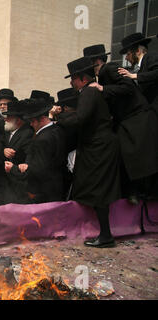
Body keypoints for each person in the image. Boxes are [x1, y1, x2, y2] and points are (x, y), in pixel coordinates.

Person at [84, 44, 158, 204]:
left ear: (96, 61)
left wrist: (103, 88)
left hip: (137, 120)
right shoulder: (103, 75)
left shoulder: (110, 69)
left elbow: (127, 87)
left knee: (135, 158)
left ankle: (137, 193)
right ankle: (133, 193)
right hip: (128, 122)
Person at [60, 57, 121, 248]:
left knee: (99, 190)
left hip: (99, 148)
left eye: (73, 79)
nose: (71, 83)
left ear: (82, 79)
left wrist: (58, 117)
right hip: (99, 146)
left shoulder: (88, 93)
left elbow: (80, 119)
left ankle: (106, 236)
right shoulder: (91, 91)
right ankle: (105, 234)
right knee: (98, 190)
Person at [5, 99, 67, 204]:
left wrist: (13, 169)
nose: (31, 124)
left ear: (42, 119)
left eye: (33, 121)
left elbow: (38, 171)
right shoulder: (57, 129)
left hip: (43, 191)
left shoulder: (42, 139)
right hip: (56, 187)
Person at [1, 100, 34, 204]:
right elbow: (0, 144)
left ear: (18, 120)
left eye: (9, 117)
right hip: (7, 183)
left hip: (18, 184)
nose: (5, 119)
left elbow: (29, 157)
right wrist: (3, 150)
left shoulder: (27, 133)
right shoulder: (7, 131)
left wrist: (17, 167)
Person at [117, 33, 158, 113]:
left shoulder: (151, 57)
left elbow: (156, 73)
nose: (126, 58)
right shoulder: (136, 68)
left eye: (128, 54)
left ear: (138, 51)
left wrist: (134, 76)